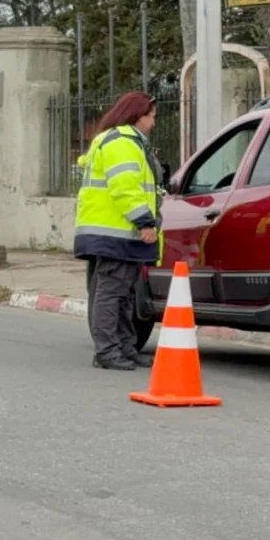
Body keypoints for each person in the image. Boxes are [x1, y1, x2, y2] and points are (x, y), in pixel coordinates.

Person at [74, 91, 164, 371]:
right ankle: (107, 351)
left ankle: (124, 346)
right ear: (137, 115)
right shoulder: (122, 143)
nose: (153, 123)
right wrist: (145, 222)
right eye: (151, 116)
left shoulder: (125, 142)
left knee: (124, 293)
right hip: (115, 231)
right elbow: (125, 188)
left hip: (116, 231)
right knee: (112, 292)